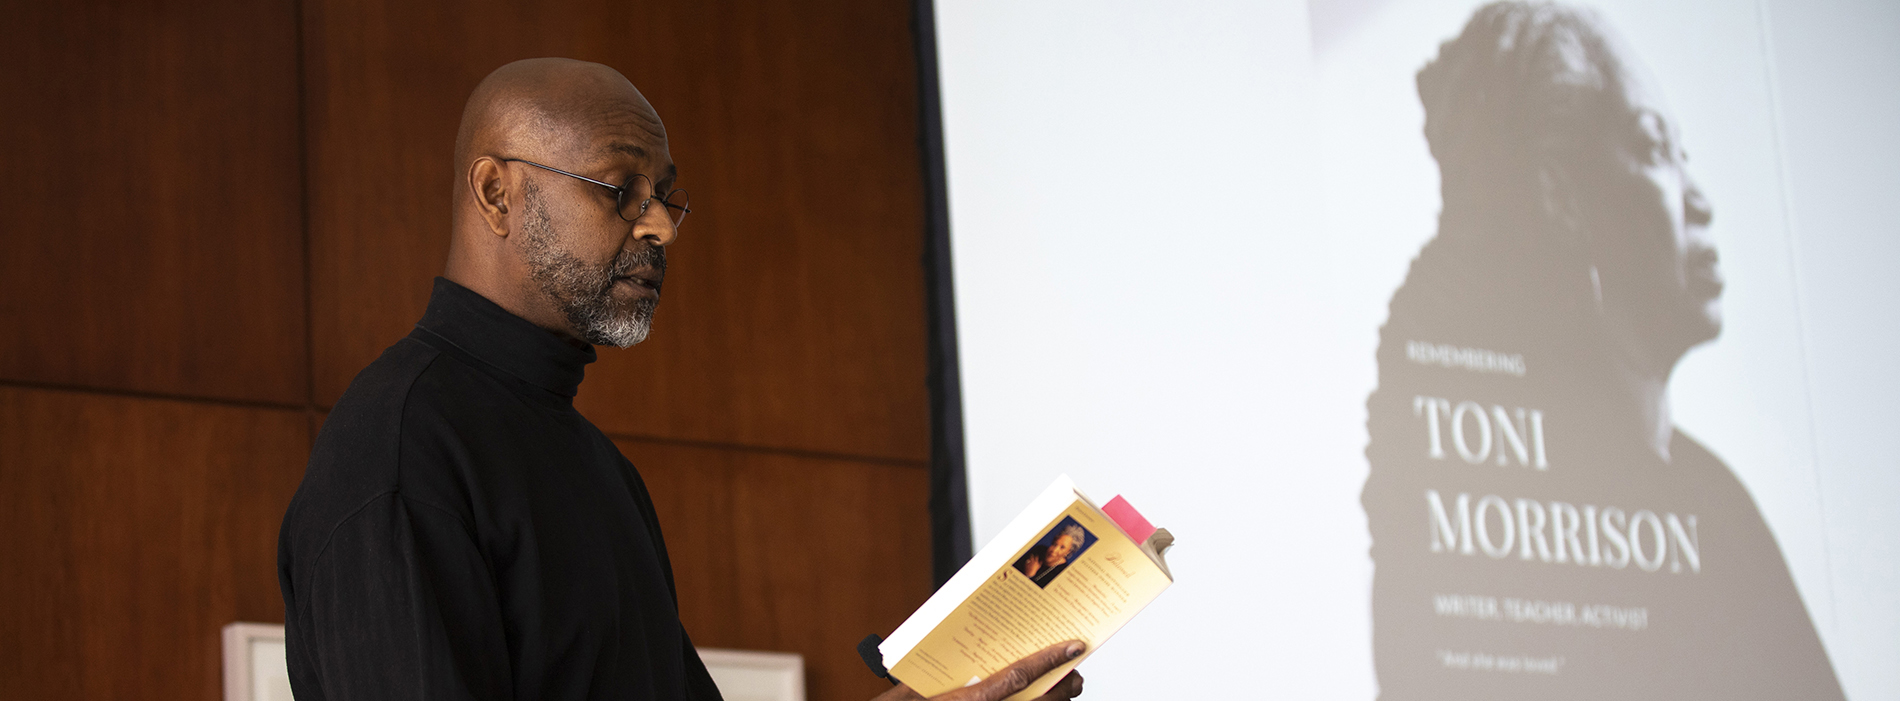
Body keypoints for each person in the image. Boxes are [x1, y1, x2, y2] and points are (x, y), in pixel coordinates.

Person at [276, 58, 1085, 701]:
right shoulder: (404, 453)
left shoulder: (595, 463)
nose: (659, 224)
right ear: (496, 193)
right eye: (620, 190)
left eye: (664, 195)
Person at [1360, 3, 1843, 699]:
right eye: (1652, 149)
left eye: (1685, 156)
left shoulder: (1721, 507)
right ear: (1560, 192)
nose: (1699, 199)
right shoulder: (1447, 508)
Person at [1014, 524, 1087, 587]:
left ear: (1068, 552)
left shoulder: (1062, 573)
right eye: (1055, 544)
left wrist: (1029, 575)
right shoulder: (1038, 550)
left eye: (1062, 547)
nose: (1054, 550)